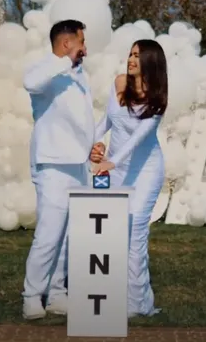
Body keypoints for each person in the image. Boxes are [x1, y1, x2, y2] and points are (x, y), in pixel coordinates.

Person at [22, 19, 95, 320]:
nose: (85, 48)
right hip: (52, 164)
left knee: (67, 236)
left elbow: (82, 119)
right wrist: (64, 62)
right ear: (67, 44)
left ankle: (56, 293)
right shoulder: (45, 69)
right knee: (49, 234)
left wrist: (94, 145)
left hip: (78, 164)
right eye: (81, 42)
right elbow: (30, 82)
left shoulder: (79, 75)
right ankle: (31, 296)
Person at [90, 39, 167, 317]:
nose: (131, 59)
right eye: (131, 54)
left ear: (150, 62)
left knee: (135, 232)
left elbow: (138, 139)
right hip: (117, 169)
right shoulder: (119, 83)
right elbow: (108, 121)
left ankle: (137, 303)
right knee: (114, 232)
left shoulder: (157, 98)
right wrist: (89, 144)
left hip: (145, 170)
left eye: (137, 55)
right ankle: (115, 293)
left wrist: (111, 161)